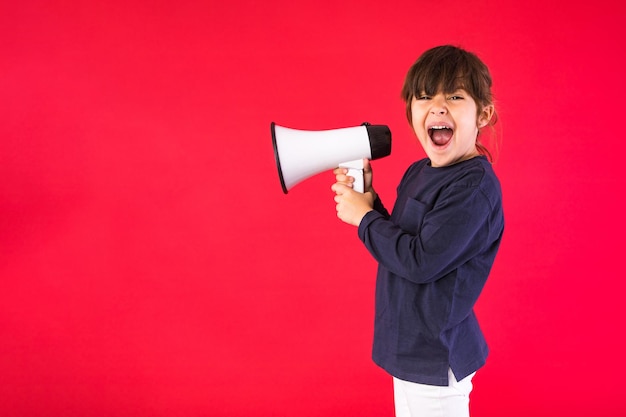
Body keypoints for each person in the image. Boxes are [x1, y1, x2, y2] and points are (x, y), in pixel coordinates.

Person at [331, 45, 504, 417]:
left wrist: (364, 218)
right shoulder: (419, 170)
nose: (438, 107)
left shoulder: (473, 187)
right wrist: (370, 202)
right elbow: (403, 242)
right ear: (411, 112)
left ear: (483, 115)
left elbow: (421, 262)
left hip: (436, 357)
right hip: (411, 349)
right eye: (425, 97)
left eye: (455, 96)